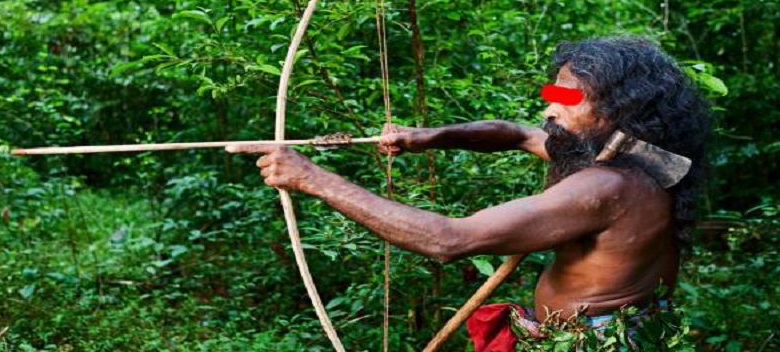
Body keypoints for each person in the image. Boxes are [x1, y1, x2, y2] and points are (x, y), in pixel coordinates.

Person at [228, 37, 710, 349]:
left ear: (621, 108)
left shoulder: (606, 184)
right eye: (554, 94)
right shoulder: (645, 158)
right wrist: (432, 136)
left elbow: (448, 240)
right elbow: (517, 133)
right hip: (637, 329)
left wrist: (311, 178)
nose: (551, 110)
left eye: (571, 99)